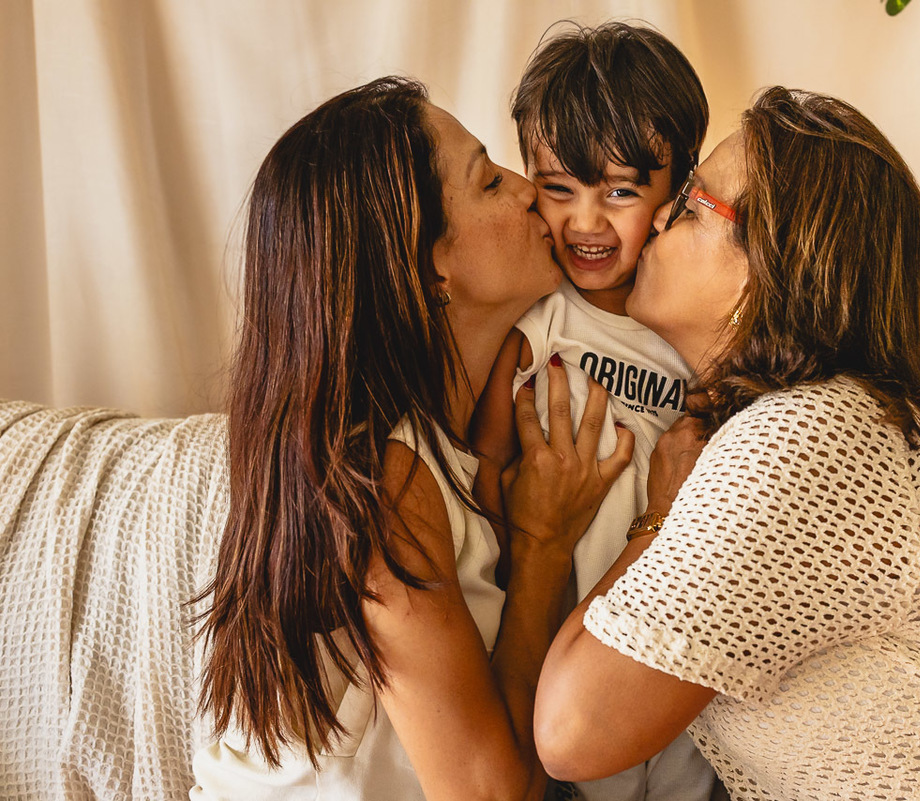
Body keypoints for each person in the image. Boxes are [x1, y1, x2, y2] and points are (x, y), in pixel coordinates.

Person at [531, 88, 920, 800]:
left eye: (690, 208)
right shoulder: (827, 420)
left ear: (771, 263)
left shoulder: (803, 438)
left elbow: (571, 732)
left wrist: (656, 518)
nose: (655, 215)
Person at [190, 76, 633, 801]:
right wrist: (546, 545)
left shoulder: (433, 448)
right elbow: (489, 794)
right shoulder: (382, 479)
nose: (531, 191)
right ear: (431, 265)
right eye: (490, 181)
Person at [470, 21, 716, 801]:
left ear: (677, 190)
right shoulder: (537, 316)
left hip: (674, 658)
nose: (585, 222)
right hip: (561, 661)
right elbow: (486, 475)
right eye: (559, 187)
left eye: (620, 191)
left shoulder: (687, 325)